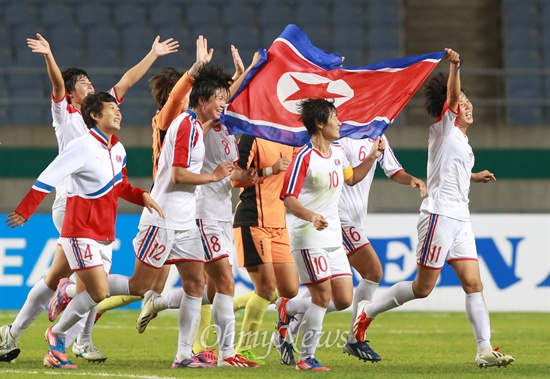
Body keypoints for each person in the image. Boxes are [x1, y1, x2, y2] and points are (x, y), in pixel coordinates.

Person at [0, 33, 178, 364]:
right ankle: (74, 334)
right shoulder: (66, 115)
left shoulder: (108, 126)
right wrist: (49, 55)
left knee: (54, 279)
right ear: (72, 93)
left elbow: (126, 80)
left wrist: (152, 53)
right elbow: (56, 84)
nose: (91, 85)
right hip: (70, 208)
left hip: (97, 212)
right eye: (83, 82)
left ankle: (12, 333)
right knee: (96, 281)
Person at [352, 48, 515, 369]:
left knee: (473, 283)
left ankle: (483, 349)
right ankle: (366, 312)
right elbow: (452, 100)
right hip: (438, 216)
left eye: (469, 102)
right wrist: (455, 68)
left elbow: (445, 171)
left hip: (460, 219)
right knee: (423, 288)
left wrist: (473, 175)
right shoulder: (443, 128)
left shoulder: (462, 143)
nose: (466, 105)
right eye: (461, 101)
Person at [105, 62, 254, 369]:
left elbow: (227, 97)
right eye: (219, 100)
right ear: (201, 102)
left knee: (195, 285)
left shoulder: (200, 126)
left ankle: (184, 354)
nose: (224, 104)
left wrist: (248, 71)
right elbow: (177, 176)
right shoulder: (185, 126)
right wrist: (213, 177)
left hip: (185, 223)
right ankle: (80, 286)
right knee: (141, 287)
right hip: (162, 218)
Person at [92, 35, 213, 326]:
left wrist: (235, 83)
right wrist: (196, 68)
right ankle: (85, 295)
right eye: (190, 90)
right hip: (165, 207)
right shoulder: (168, 118)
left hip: (180, 208)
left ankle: (100, 305)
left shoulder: (190, 123)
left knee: (162, 287)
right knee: (148, 285)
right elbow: (179, 100)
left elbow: (214, 109)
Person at [277, 98, 385, 371]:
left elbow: (352, 178)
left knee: (343, 300)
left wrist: (372, 156)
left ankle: (286, 310)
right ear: (320, 124)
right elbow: (288, 198)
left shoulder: (338, 153)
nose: (339, 122)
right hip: (308, 237)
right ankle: (306, 358)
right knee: (321, 297)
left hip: (333, 238)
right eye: (334, 118)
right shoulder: (304, 157)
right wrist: (311, 216)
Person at [338, 134, 426, 362]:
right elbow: (349, 177)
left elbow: (393, 169)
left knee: (333, 294)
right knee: (372, 272)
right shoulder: (335, 129)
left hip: (356, 219)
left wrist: (410, 180)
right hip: (336, 215)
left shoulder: (376, 132)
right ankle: (354, 339)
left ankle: (288, 311)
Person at [231, 135, 298, 364]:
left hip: (279, 226)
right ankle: (242, 349)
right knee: (267, 289)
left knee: (290, 289)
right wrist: (269, 170)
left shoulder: (291, 140)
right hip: (253, 221)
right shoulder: (252, 137)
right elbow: (235, 177)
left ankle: (226, 308)